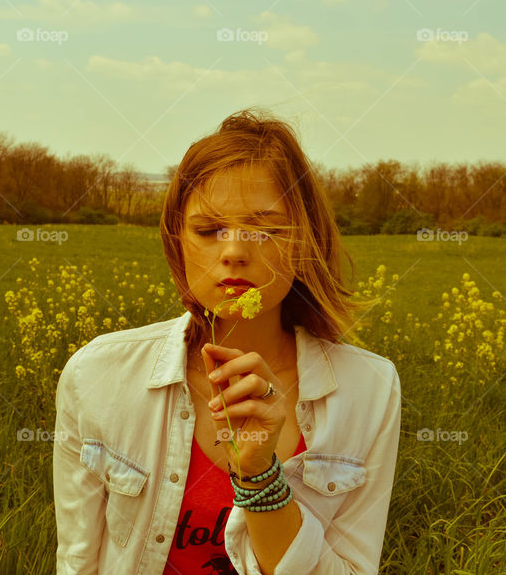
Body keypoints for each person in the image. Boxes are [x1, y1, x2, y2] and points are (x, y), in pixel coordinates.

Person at [54, 108, 402, 574]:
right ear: (177, 240)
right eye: (209, 230)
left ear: (303, 244)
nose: (235, 251)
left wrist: (260, 476)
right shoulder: (97, 373)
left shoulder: (369, 388)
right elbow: (78, 561)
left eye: (264, 230)